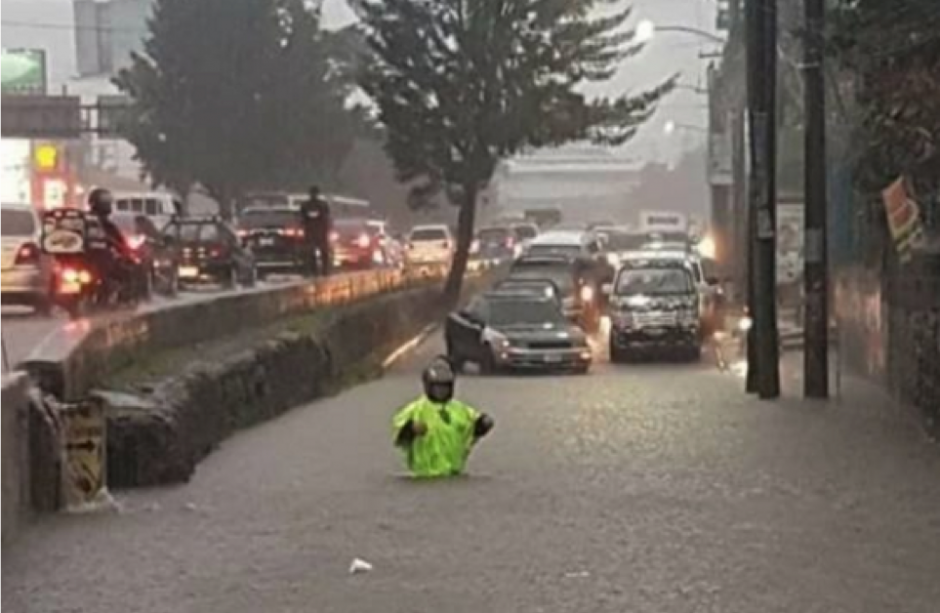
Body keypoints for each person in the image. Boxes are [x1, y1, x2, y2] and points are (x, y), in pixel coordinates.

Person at [393, 357, 494, 478]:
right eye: (437, 388)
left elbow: (474, 426)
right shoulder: (415, 410)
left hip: (454, 473)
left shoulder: (460, 409)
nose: (441, 391)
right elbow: (398, 435)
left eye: (445, 387)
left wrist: (484, 423)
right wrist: (410, 429)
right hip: (423, 475)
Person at [86, 188, 137, 297]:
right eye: (107, 203)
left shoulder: (85, 219)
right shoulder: (104, 224)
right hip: (98, 261)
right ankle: (119, 295)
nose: (109, 206)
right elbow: (119, 242)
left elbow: (119, 241)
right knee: (126, 269)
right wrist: (126, 250)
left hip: (86, 260)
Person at [299, 185, 332, 276]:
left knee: (312, 253)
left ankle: (316, 271)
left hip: (311, 232)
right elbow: (327, 218)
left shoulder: (305, 205)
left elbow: (302, 219)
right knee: (321, 252)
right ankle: (323, 271)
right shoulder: (323, 205)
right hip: (319, 232)